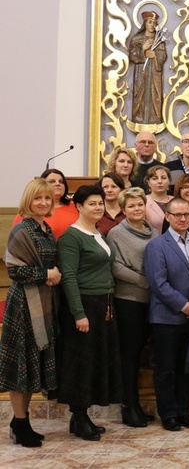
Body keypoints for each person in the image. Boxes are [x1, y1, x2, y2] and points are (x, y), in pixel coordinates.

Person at [57, 185, 121, 441]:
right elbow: (69, 276)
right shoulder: (72, 237)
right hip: (83, 304)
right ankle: (80, 416)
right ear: (79, 206)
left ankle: (80, 417)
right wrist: (78, 313)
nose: (97, 207)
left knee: (94, 360)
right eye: (92, 203)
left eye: (100, 203)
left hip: (103, 303)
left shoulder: (98, 234)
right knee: (80, 363)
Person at [1, 179, 61, 447]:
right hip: (24, 304)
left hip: (43, 301)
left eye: (47, 199)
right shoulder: (22, 228)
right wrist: (46, 274)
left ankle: (20, 422)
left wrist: (53, 274)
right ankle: (20, 421)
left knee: (32, 362)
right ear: (29, 200)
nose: (44, 203)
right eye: (38, 199)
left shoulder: (46, 228)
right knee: (20, 365)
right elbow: (14, 268)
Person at [144, 198, 189, 432]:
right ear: (167, 217)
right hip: (167, 317)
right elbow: (158, 283)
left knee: (187, 368)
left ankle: (184, 410)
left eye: (186, 214)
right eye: (177, 215)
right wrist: (183, 305)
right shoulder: (156, 246)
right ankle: (168, 414)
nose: (183, 218)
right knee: (166, 369)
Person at [106, 187, 159, 428]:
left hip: (151, 300)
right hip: (129, 300)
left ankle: (137, 405)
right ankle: (128, 406)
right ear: (124, 209)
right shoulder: (117, 233)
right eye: (131, 206)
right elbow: (116, 267)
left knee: (142, 356)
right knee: (130, 356)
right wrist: (144, 281)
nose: (137, 209)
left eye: (140, 205)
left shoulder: (154, 232)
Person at [11, 169, 79, 239]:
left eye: (61, 181)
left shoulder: (77, 207)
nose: (58, 184)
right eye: (52, 181)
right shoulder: (26, 215)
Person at [128, 11, 167, 130]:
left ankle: (154, 120)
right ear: (145, 23)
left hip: (154, 73)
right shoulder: (137, 38)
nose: (152, 25)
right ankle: (138, 119)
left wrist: (155, 55)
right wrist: (143, 50)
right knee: (140, 93)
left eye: (154, 23)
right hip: (141, 73)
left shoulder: (159, 39)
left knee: (154, 94)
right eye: (150, 22)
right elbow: (132, 55)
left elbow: (163, 55)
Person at [95, 172, 126, 237]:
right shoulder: (95, 212)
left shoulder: (128, 211)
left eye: (114, 187)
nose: (109, 190)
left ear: (121, 189)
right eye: (105, 187)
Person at [144, 165, 173, 231]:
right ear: (149, 183)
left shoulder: (176, 201)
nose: (160, 181)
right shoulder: (143, 201)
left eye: (163, 178)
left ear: (169, 181)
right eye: (155, 178)